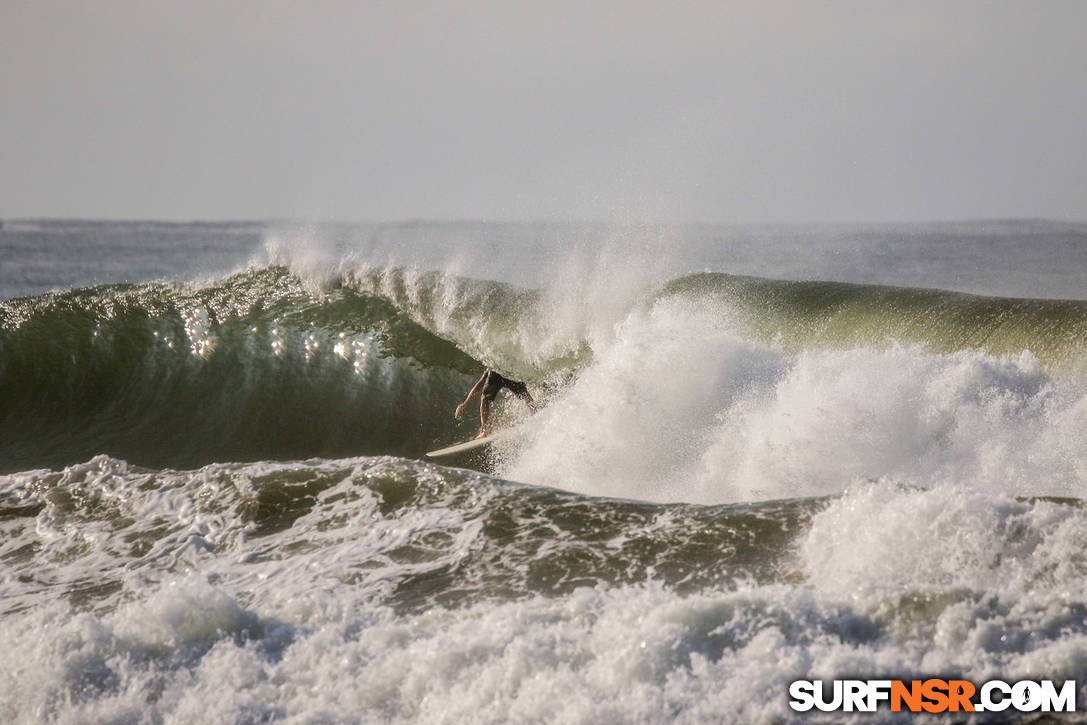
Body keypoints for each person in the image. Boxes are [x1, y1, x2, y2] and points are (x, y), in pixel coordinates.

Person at [455, 369, 536, 439]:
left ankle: (484, 431)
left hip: (504, 371)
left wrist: (465, 403)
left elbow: (480, 382)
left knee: (524, 395)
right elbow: (480, 382)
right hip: (502, 371)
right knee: (485, 398)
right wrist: (465, 403)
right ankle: (484, 431)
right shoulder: (491, 368)